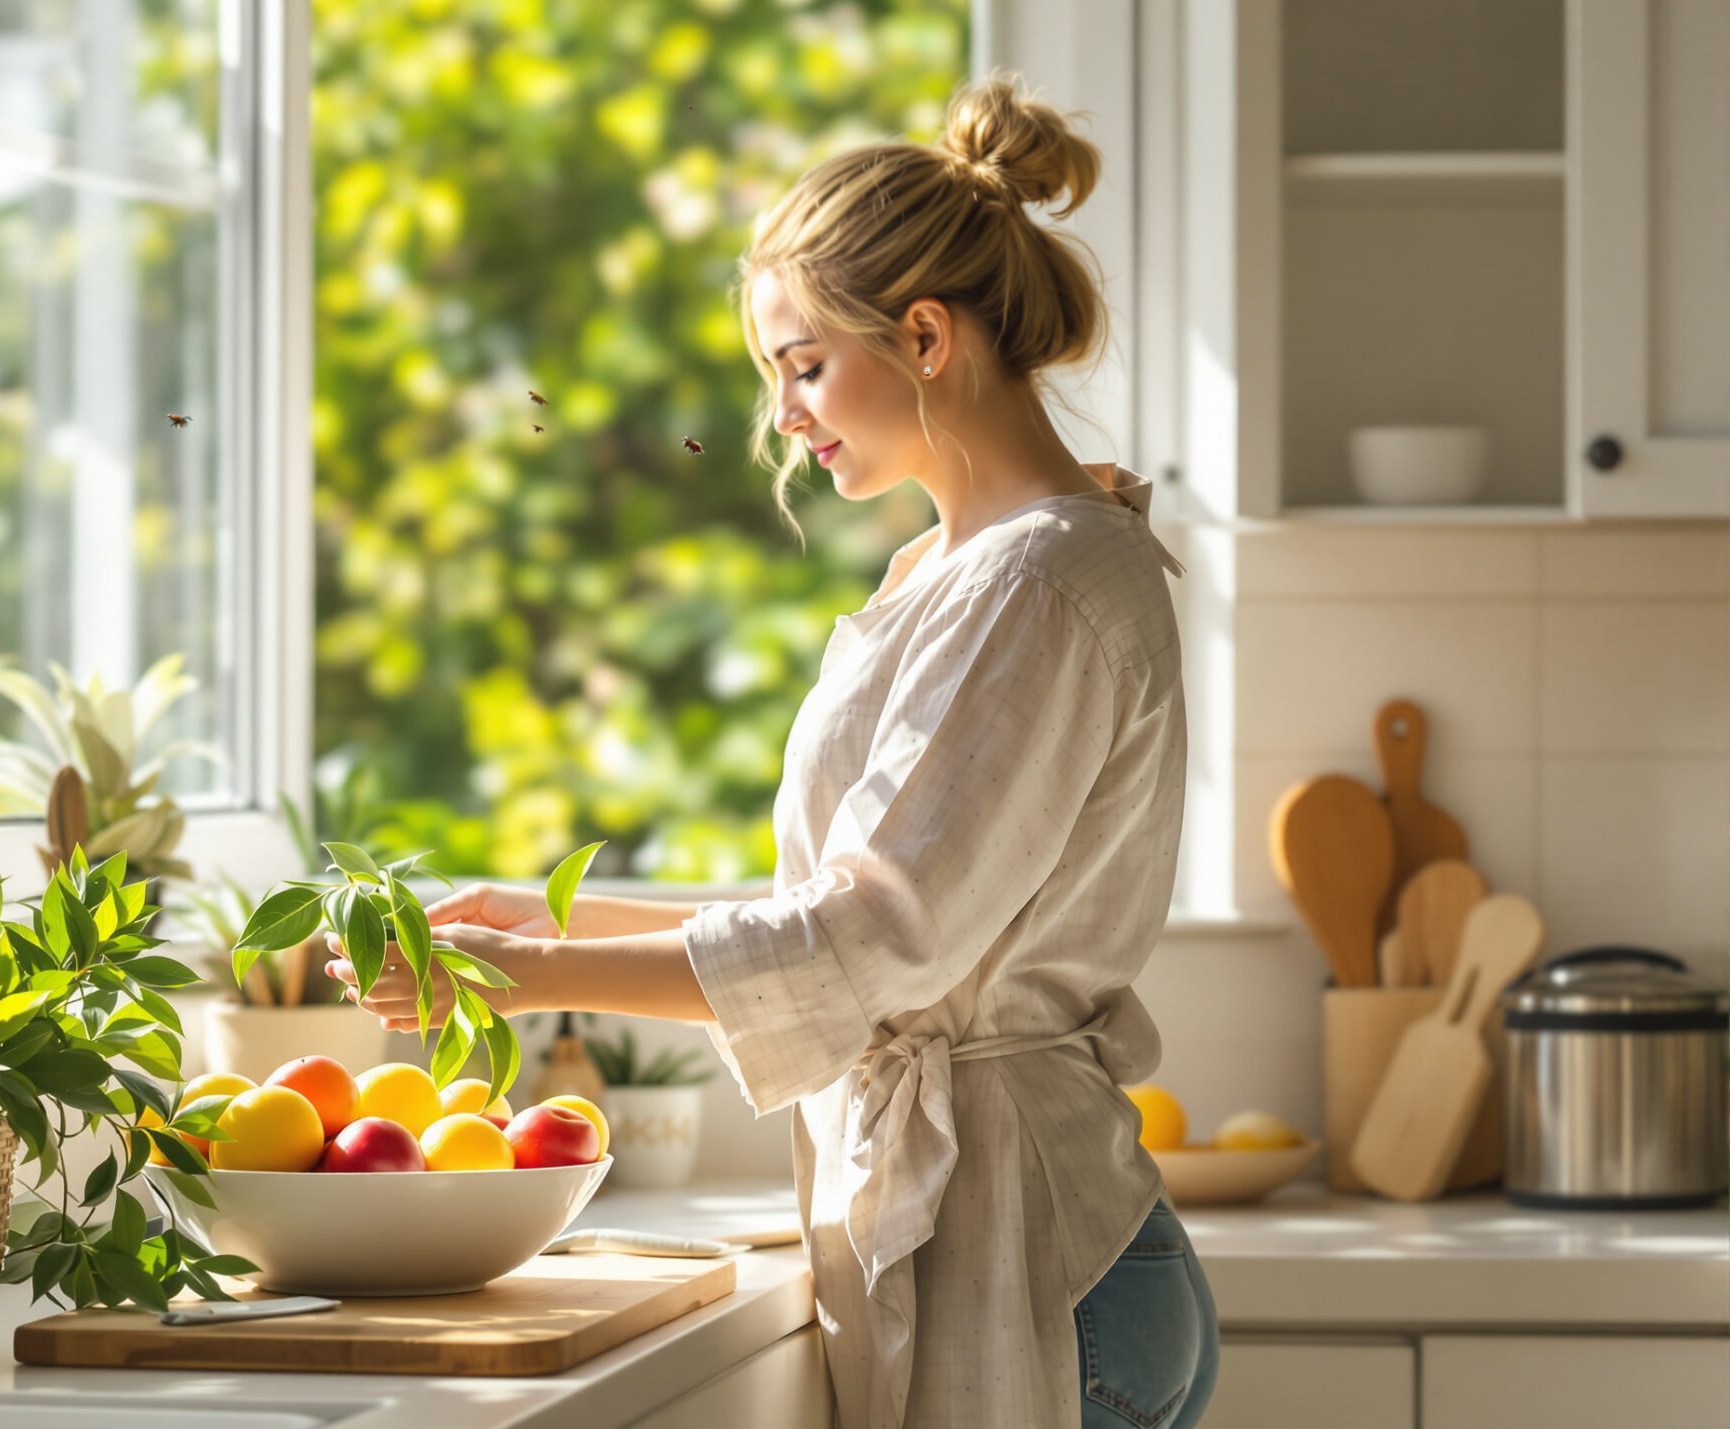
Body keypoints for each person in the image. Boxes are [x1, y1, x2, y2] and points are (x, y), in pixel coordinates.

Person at [325, 75, 1217, 1429]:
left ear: (926, 335)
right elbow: (856, 910)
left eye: (802, 364)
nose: (784, 415)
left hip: (1036, 1253)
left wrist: (530, 976)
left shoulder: (1036, 582)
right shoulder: (959, 569)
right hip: (1023, 1230)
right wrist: (547, 923)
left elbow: (874, 939)